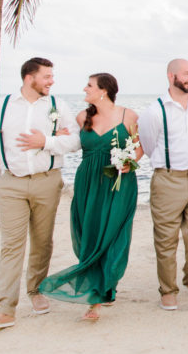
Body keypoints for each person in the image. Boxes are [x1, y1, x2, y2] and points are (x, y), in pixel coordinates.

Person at [0, 57, 80, 331]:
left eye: (51, 76)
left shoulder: (58, 106)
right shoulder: (2, 106)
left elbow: (76, 141)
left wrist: (46, 141)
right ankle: (4, 308)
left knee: (43, 242)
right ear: (29, 77)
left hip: (48, 182)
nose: (51, 81)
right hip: (11, 185)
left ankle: (36, 290)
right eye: (46, 76)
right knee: (11, 245)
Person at [39, 73, 140, 321]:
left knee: (116, 237)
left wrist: (130, 161)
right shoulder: (82, 117)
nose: (85, 88)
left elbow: (139, 146)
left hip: (119, 183)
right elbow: (72, 141)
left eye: (89, 85)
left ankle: (100, 294)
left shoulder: (129, 116)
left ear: (104, 90)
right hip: (88, 182)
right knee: (91, 235)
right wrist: (59, 136)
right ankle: (101, 290)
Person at [137, 59, 188, 309]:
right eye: (186, 74)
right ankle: (168, 289)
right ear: (171, 77)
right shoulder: (155, 110)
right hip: (168, 179)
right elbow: (148, 145)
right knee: (166, 237)